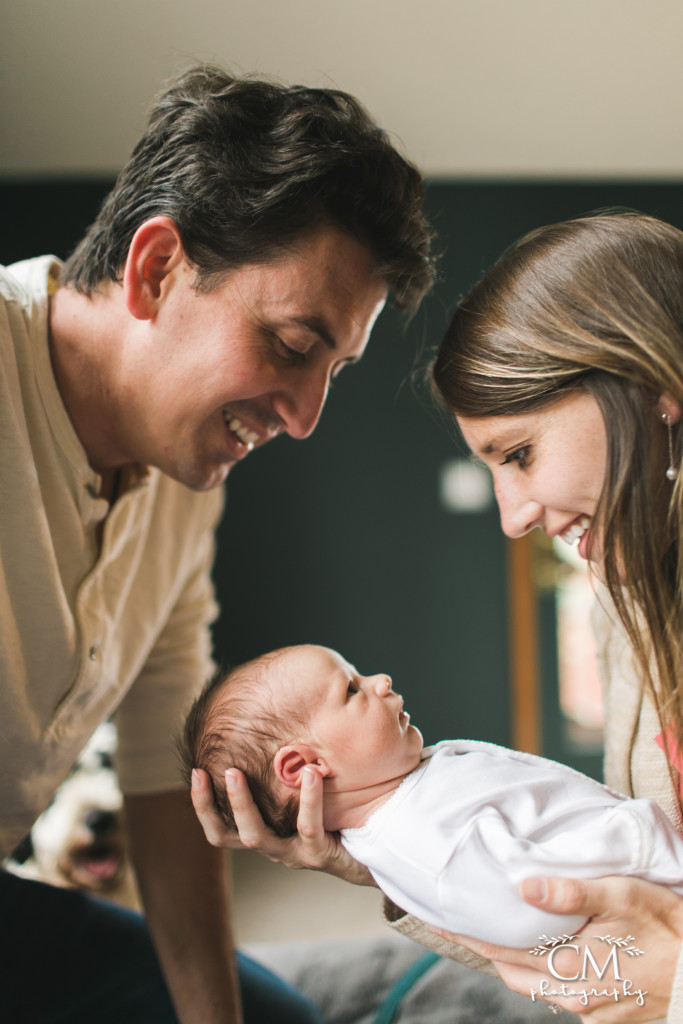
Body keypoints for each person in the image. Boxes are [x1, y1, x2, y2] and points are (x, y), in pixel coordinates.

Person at [0, 63, 434, 1024]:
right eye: (290, 345)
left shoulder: (185, 480)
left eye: (333, 370)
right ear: (157, 269)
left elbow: (164, 772)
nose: (306, 415)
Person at [191, 212, 683, 1022]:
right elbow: (590, 929)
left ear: (654, 388)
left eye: (518, 453)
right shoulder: (627, 607)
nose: (512, 518)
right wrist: (383, 855)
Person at [181, 642, 683, 949]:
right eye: (352, 690)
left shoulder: (412, 790)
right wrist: (635, 838)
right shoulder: (423, 842)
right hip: (655, 879)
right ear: (306, 766)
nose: (380, 681)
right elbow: (529, 911)